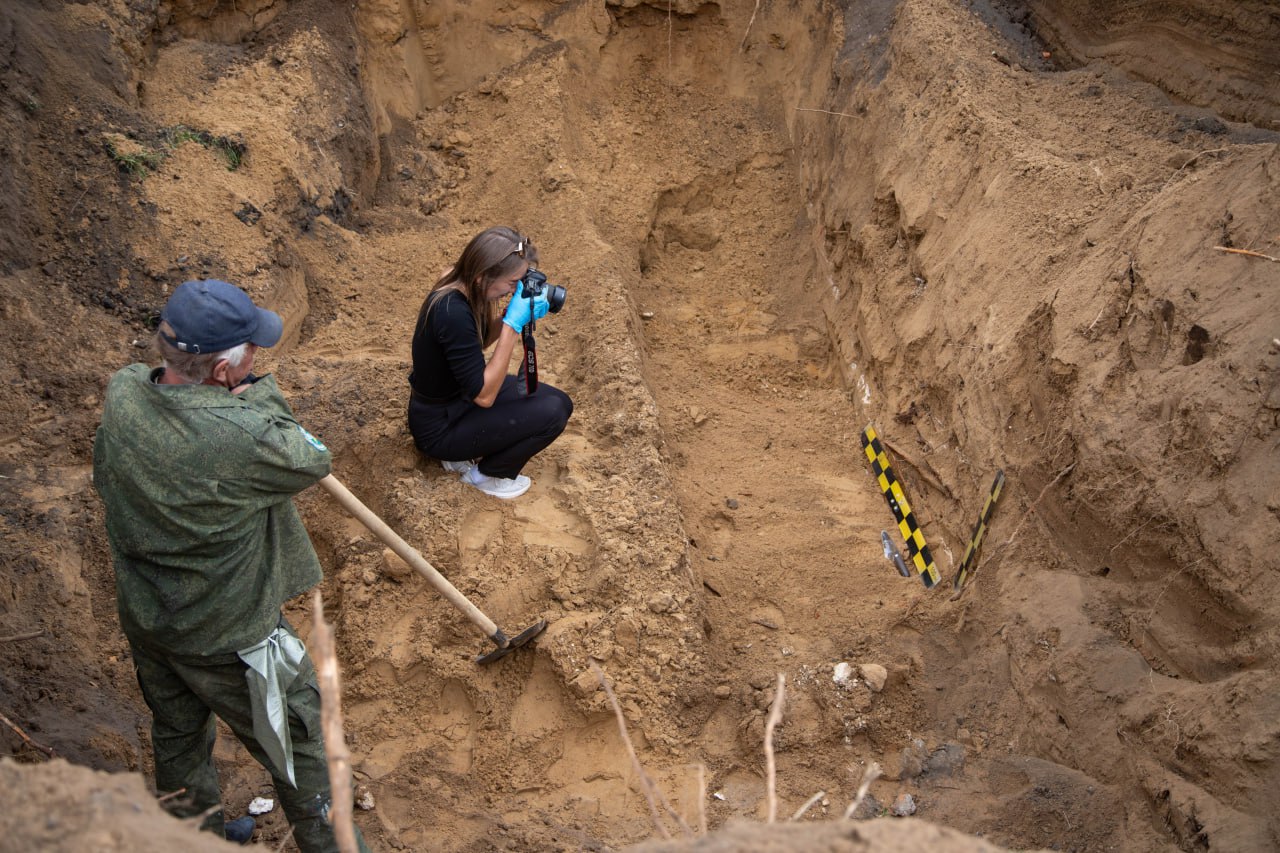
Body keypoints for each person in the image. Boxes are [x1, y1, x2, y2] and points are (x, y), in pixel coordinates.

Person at [92, 279, 370, 852]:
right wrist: (251, 395)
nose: (258, 357)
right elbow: (312, 456)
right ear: (223, 371)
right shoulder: (243, 437)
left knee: (178, 737)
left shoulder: (123, 393)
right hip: (232, 635)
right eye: (250, 352)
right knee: (303, 743)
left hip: (151, 618)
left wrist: (225, 396)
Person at [408, 226, 573, 499]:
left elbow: (478, 341)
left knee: (562, 402)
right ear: (482, 277)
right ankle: (487, 476)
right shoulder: (451, 312)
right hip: (440, 428)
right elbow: (485, 396)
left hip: (458, 401)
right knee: (553, 413)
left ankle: (465, 452)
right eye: (512, 283)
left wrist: (512, 311)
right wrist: (511, 326)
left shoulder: (457, 281)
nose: (514, 290)